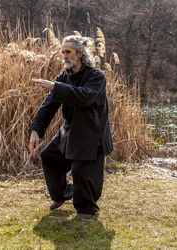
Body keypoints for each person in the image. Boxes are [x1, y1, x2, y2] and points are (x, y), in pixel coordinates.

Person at [29, 35, 113, 220]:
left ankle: (86, 208)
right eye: (63, 53)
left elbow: (84, 96)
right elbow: (49, 104)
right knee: (49, 157)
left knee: (81, 171)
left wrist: (55, 86)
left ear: (80, 53)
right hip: (70, 131)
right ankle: (62, 194)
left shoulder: (96, 76)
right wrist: (36, 131)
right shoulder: (64, 77)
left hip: (91, 133)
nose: (64, 56)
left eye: (68, 52)